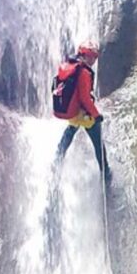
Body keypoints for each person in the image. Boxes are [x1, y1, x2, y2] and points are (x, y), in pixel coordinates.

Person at [53, 40, 111, 184]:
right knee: (98, 140)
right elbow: (85, 98)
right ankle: (105, 172)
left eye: (94, 57)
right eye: (90, 56)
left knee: (70, 131)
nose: (93, 60)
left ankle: (57, 159)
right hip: (83, 114)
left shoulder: (69, 66)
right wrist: (96, 115)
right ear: (83, 55)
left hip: (73, 112)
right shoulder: (84, 72)